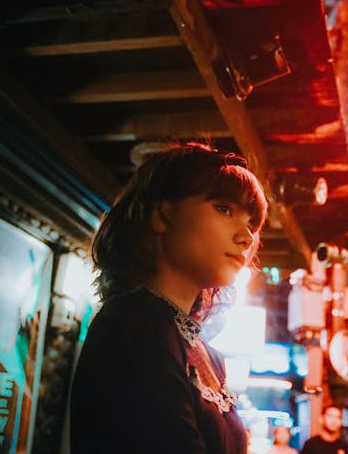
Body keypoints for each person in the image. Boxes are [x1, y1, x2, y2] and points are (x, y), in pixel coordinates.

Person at [70, 141, 268, 453]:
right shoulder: (133, 327)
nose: (246, 238)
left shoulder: (205, 352)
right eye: (224, 208)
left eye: (252, 224)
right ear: (162, 215)